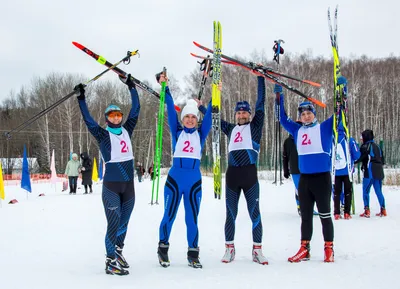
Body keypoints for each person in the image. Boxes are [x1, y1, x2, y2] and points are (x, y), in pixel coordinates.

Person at [275, 76, 347, 263]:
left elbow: (341, 114)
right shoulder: (297, 130)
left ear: (314, 114)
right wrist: (278, 95)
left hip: (321, 179)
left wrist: (342, 91)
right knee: (305, 217)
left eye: (309, 113)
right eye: (303, 114)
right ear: (299, 117)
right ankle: (304, 248)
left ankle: (328, 248)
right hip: (305, 180)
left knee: (325, 215)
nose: (306, 116)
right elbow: (281, 118)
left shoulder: (324, 128)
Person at [74, 73, 140, 276]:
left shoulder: (127, 129)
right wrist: (81, 98)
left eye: (118, 115)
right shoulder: (102, 134)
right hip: (111, 186)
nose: (117, 117)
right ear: (107, 118)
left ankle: (118, 252)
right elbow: (88, 120)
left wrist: (131, 87)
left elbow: (136, 110)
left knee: (124, 222)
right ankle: (110, 261)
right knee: (113, 222)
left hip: (128, 186)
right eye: (112, 115)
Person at [206, 75, 268, 265]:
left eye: (244, 113)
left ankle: (257, 251)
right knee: (230, 214)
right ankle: (229, 249)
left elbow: (260, 103)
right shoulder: (231, 129)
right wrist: (203, 105)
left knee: (254, 213)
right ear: (235, 115)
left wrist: (260, 79)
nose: (241, 115)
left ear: (249, 114)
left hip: (250, 176)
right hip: (232, 176)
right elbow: (214, 118)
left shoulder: (255, 127)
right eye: (239, 113)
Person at [156, 72, 212, 269]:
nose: (189, 120)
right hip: (175, 179)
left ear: (197, 119)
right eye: (186, 117)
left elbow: (211, 116)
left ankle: (193, 253)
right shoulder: (177, 131)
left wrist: (214, 95)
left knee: (192, 218)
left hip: (194, 181)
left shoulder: (201, 134)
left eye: (193, 117)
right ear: (182, 119)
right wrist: (165, 87)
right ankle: (162, 250)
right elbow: (170, 108)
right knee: (168, 216)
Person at [283, 125, 319, 217]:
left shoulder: (305, 138)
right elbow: (285, 157)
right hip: (295, 169)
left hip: (307, 168)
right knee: (299, 190)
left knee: (310, 189)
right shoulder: (288, 141)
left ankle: (309, 208)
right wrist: (285, 170)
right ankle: (300, 207)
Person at [355, 129, 386, 217]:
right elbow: (382, 160)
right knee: (378, 191)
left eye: (362, 136)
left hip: (369, 171)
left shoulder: (366, 146)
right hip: (379, 171)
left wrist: (354, 162)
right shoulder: (377, 146)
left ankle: (367, 210)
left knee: (365, 191)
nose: (361, 139)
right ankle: (383, 209)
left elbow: (361, 157)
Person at [332, 124, 360, 220]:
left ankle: (336, 213)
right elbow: (357, 155)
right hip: (348, 170)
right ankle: (347, 213)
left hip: (336, 171)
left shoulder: (332, 140)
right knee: (348, 191)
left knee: (336, 192)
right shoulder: (349, 140)